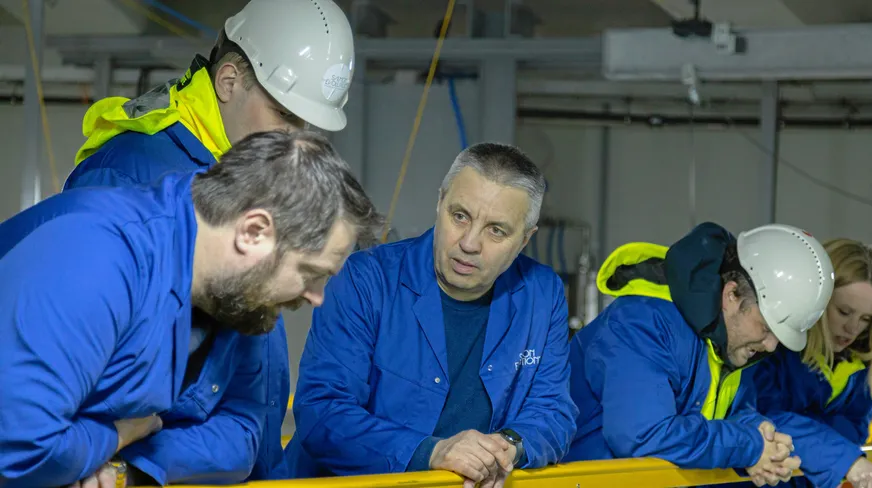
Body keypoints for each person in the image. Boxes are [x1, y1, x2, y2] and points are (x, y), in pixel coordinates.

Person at [60, 0, 355, 480]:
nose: (294, 140)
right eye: (283, 114)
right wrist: (135, 471)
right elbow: (82, 387)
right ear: (230, 81)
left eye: (307, 125)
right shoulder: (129, 174)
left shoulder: (247, 172)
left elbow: (244, 383)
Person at [0, 130, 380, 487]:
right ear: (253, 232)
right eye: (311, 273)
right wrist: (121, 435)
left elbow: (243, 432)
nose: (316, 297)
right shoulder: (98, 256)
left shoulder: (236, 299)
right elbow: (20, 447)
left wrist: (128, 464)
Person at [285, 142, 577, 487]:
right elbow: (323, 413)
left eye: (496, 230)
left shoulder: (542, 294)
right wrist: (430, 453)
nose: (469, 243)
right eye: (460, 216)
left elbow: (553, 411)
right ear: (439, 203)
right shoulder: (365, 280)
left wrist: (507, 447)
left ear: (525, 240)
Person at [564, 222, 835, 487]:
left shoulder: (730, 340)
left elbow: (729, 414)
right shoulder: (642, 323)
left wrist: (759, 431)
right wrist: (749, 445)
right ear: (731, 295)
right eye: (766, 327)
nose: (772, 345)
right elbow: (642, 435)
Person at [739, 239, 872, 488]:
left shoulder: (861, 367)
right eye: (844, 311)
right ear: (818, 299)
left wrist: (814, 438)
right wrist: (840, 454)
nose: (853, 328)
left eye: (866, 318)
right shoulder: (770, 347)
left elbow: (852, 433)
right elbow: (761, 420)